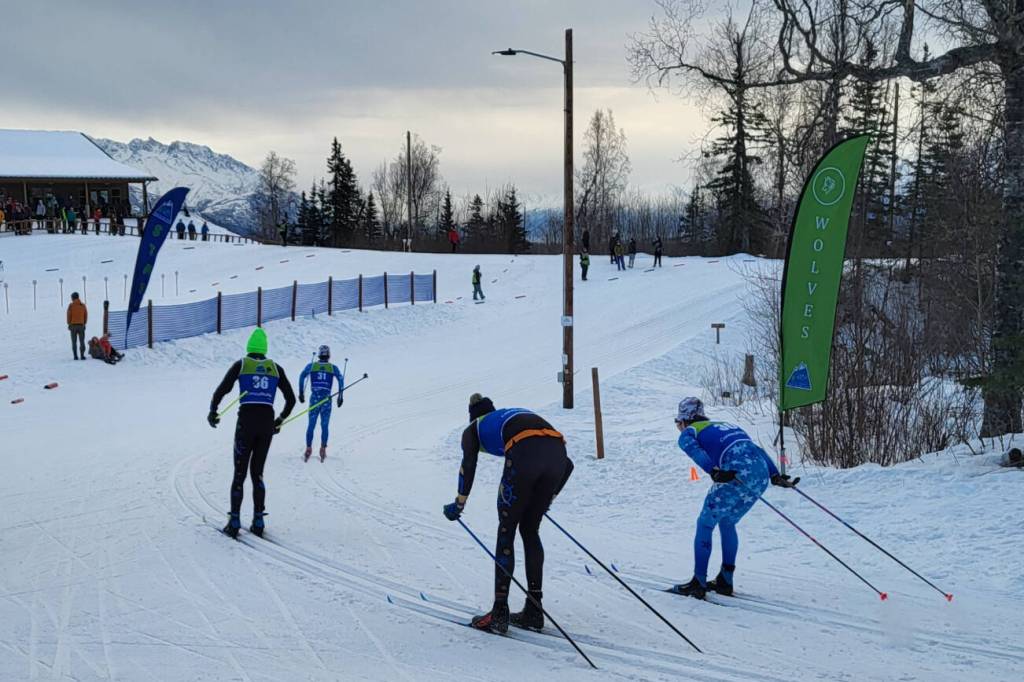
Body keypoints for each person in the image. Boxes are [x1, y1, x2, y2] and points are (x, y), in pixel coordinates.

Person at [442, 395, 574, 633]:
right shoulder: (507, 415)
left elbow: (468, 465)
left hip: (525, 450)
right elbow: (569, 465)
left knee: (507, 529)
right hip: (557, 452)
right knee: (530, 529)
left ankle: (499, 613)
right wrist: (546, 499)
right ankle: (534, 610)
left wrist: (459, 503)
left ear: (472, 415)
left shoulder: (474, 428)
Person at [671, 397, 798, 599]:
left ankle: (698, 582)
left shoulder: (689, 433)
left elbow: (696, 453)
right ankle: (725, 580)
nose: (678, 426)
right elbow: (756, 449)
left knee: (705, 524)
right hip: (760, 476)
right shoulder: (725, 425)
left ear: (685, 420)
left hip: (733, 474)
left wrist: (713, 471)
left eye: (677, 422)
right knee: (728, 522)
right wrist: (774, 475)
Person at [207, 328, 296, 538]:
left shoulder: (242, 365)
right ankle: (258, 520)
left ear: (249, 347)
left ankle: (235, 520)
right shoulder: (275, 368)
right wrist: (280, 420)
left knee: (239, 473)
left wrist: (213, 411)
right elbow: (291, 399)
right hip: (266, 424)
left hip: (246, 422)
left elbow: (221, 390)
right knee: (258, 473)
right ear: (264, 348)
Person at [298, 345, 345, 462]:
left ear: (319, 354)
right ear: (328, 355)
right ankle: (323, 448)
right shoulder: (332, 368)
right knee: (324, 425)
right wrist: (340, 396)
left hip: (314, 399)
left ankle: (308, 447)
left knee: (311, 424)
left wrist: (301, 393)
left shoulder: (312, 366)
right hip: (326, 401)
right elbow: (340, 379)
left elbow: (302, 376)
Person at [66, 292, 87, 360]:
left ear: (73, 298)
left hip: (73, 326)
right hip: (81, 325)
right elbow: (85, 315)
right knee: (82, 341)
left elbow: (69, 315)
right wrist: (84, 323)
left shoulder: (71, 306)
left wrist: (69, 323)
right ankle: (82, 355)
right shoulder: (83, 305)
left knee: (74, 342)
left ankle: (75, 356)